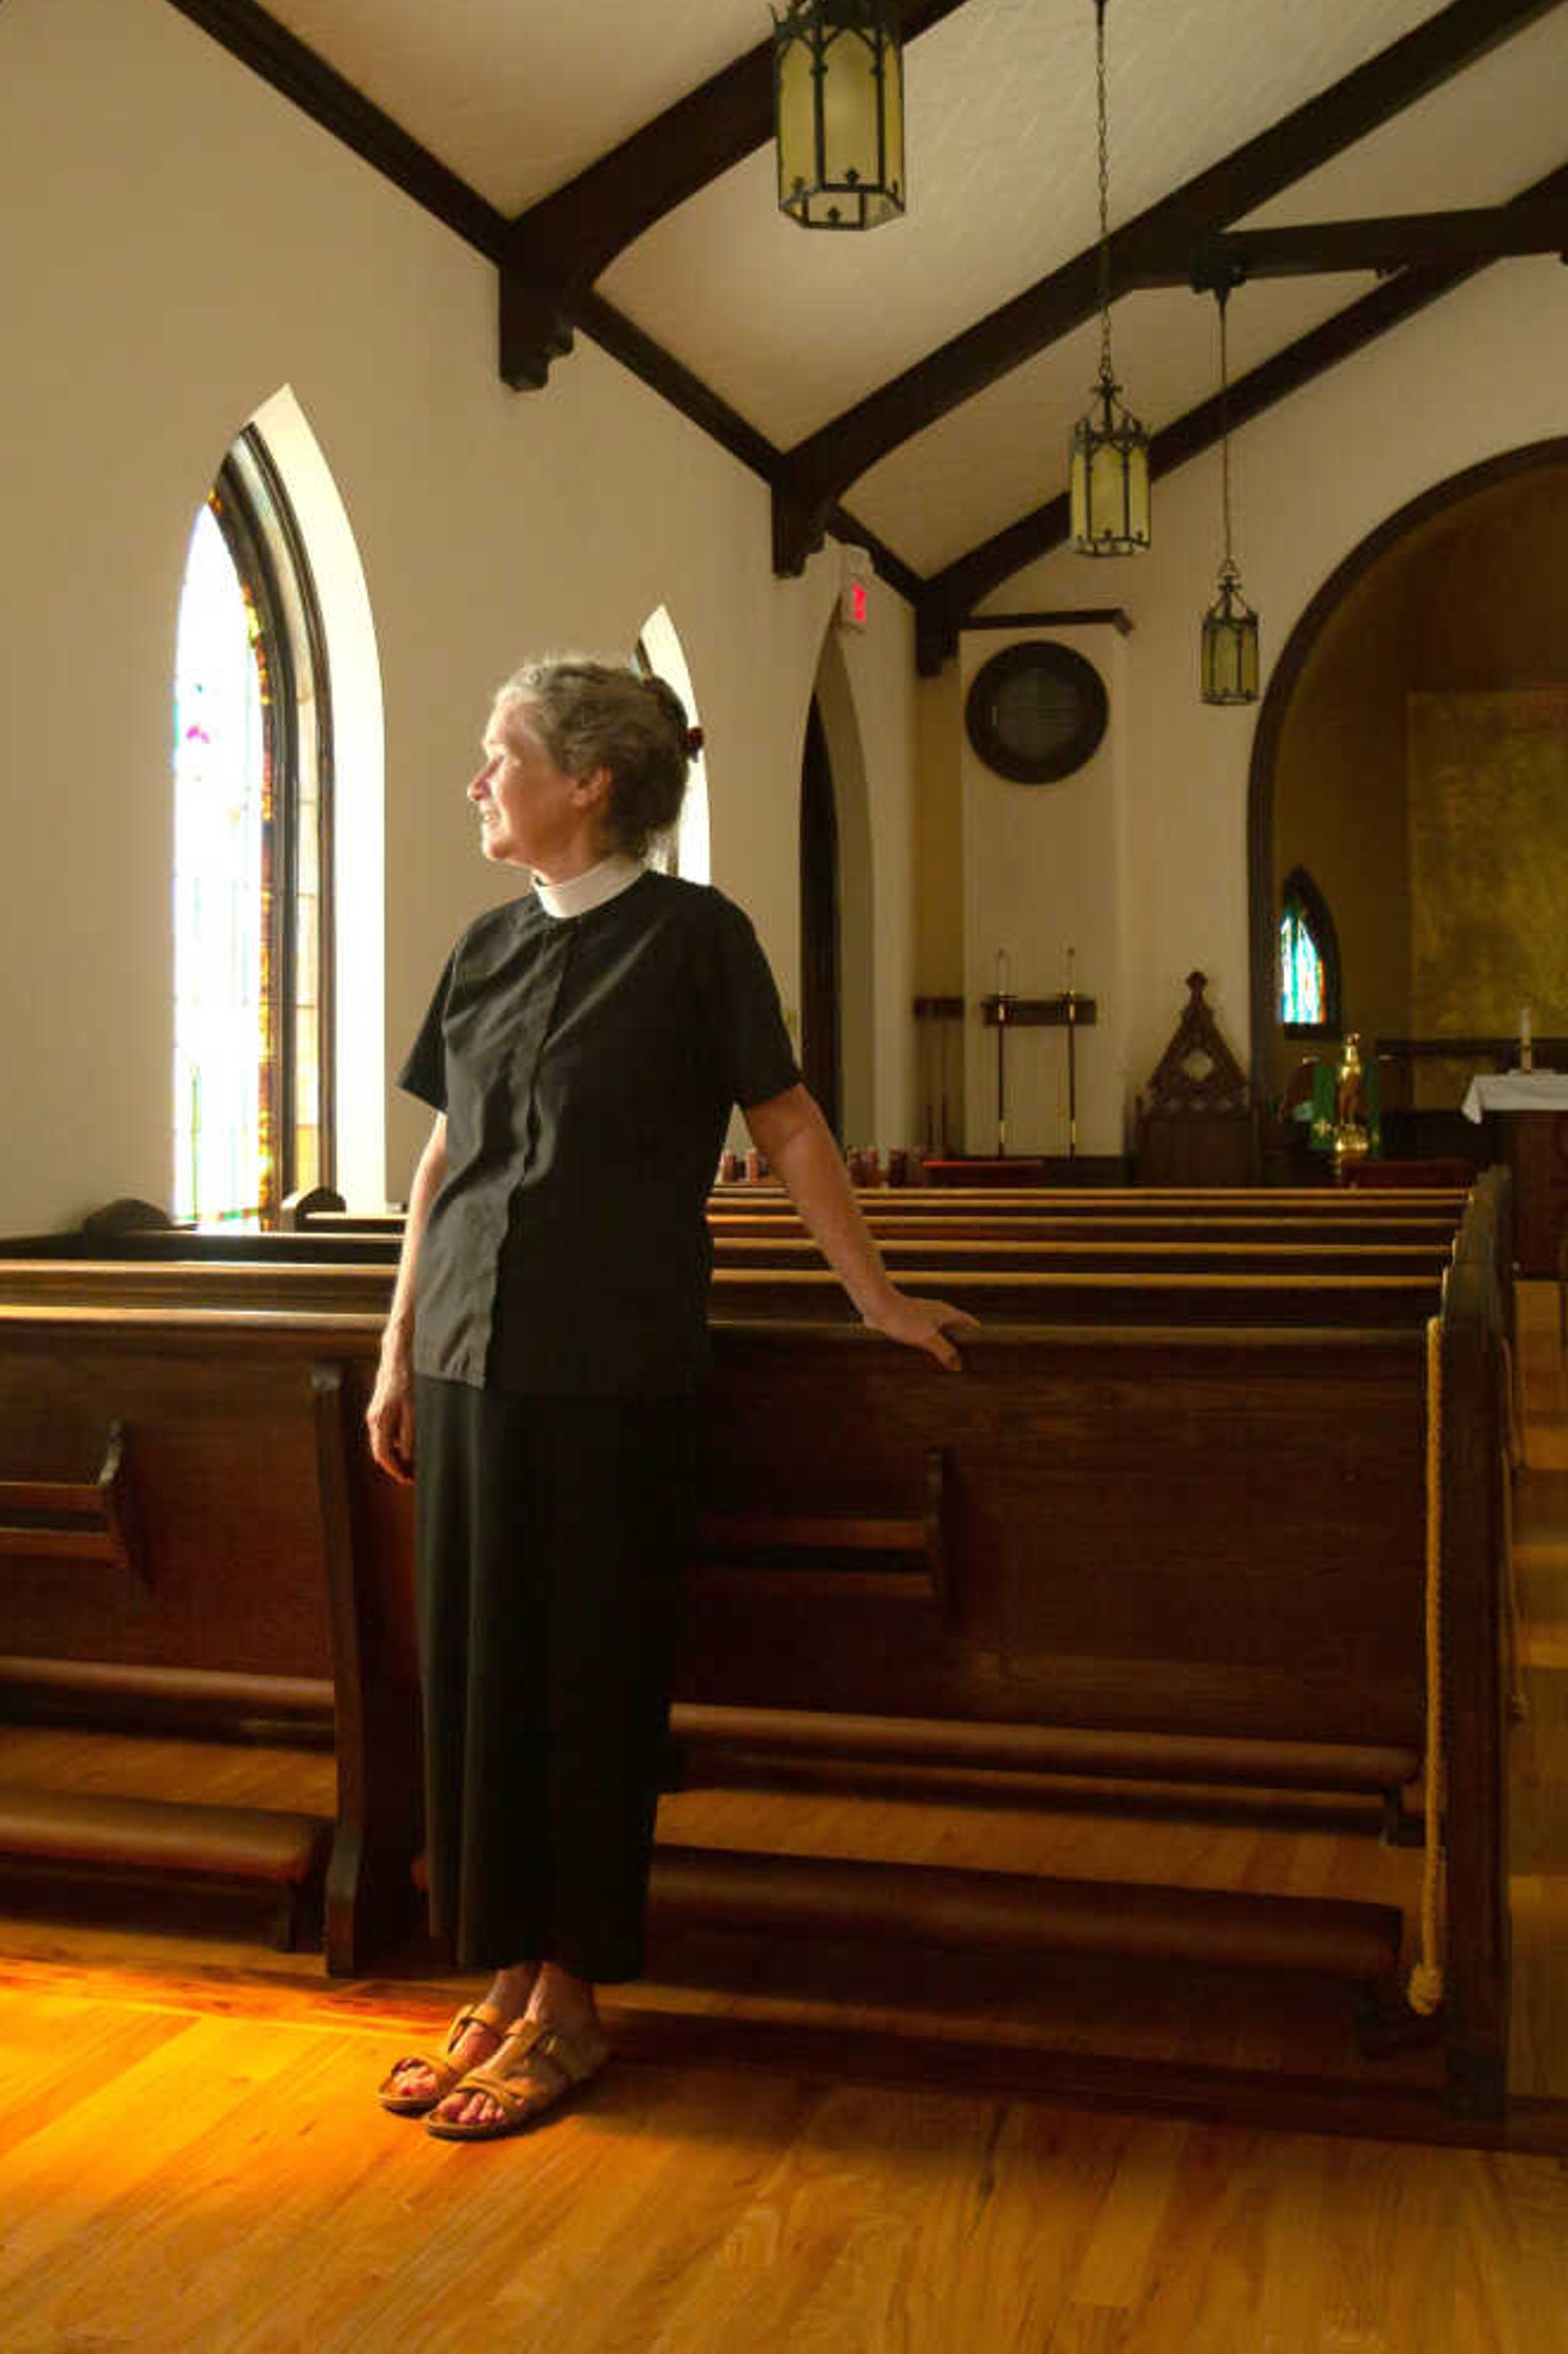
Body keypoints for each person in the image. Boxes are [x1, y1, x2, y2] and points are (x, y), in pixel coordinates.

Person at [366, 656, 976, 2142]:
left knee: (584, 1677)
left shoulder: (697, 940)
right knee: (478, 1671)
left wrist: (875, 1295)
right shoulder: (483, 945)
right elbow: (444, 1165)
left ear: (588, 782)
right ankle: (502, 1972)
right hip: (463, 1357)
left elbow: (788, 1124)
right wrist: (394, 1346)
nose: (477, 780)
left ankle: (571, 1999)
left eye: (497, 753)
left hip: (612, 1364)